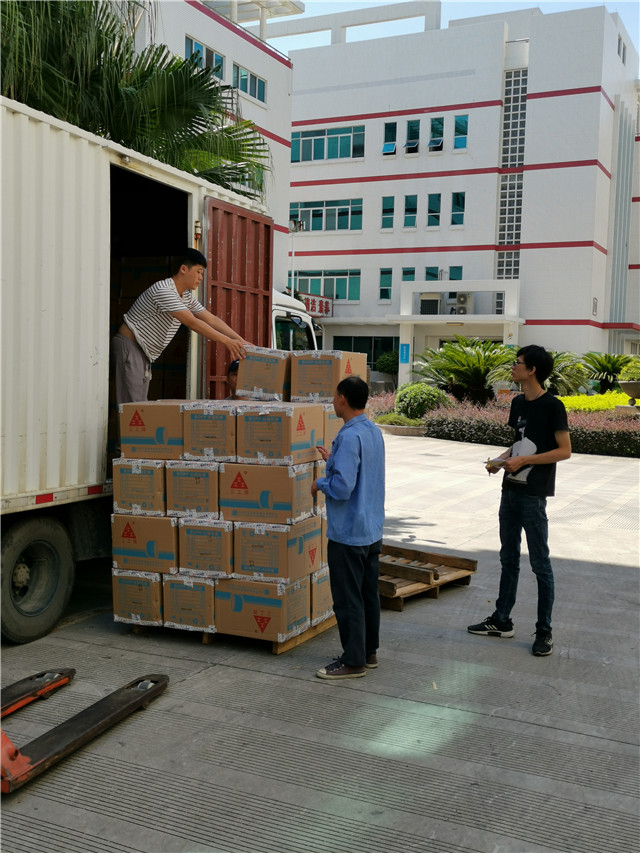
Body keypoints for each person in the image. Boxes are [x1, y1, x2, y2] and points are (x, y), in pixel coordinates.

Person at [467, 345, 571, 656]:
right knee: (508, 558)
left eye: (518, 363)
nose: (513, 367)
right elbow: (517, 444)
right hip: (509, 490)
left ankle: (544, 631)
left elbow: (564, 451)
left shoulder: (553, 406)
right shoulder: (517, 403)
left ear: (533, 370)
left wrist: (524, 462)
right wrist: (500, 461)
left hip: (533, 495)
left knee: (540, 564)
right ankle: (502, 620)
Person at [312, 377, 386, 680]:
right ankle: (368, 652)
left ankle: (353, 661)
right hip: (371, 530)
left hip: (349, 533)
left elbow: (342, 488)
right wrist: (333, 462)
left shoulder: (348, 436)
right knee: (368, 594)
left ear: (342, 399)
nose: (332, 401)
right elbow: (361, 469)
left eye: (334, 395)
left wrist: (320, 482)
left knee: (347, 599)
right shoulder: (372, 431)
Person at [112, 248, 248, 404]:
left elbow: (211, 319)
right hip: (131, 347)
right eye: (198, 272)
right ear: (183, 269)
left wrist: (240, 341)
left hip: (142, 352)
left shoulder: (185, 297)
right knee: (132, 408)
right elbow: (192, 322)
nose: (201, 277)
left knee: (139, 406)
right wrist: (227, 342)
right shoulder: (164, 290)